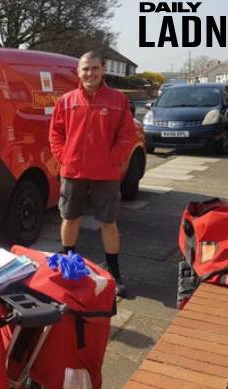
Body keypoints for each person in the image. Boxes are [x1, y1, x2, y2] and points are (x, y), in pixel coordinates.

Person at [48, 51, 137, 297]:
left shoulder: (118, 100)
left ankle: (114, 272)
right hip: (73, 171)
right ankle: (68, 267)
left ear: (103, 69)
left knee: (108, 223)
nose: (90, 73)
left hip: (105, 174)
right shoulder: (66, 101)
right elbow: (55, 134)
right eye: (85, 69)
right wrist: (64, 157)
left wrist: (112, 159)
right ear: (78, 71)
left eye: (94, 68)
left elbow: (127, 136)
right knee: (70, 219)